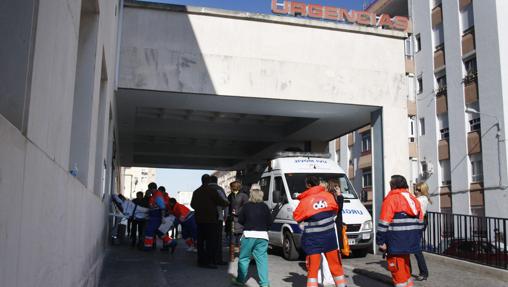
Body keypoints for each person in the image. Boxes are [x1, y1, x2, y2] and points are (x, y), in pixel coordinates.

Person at [293, 176, 347, 287]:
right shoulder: (328, 196)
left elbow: (296, 217)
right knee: (336, 267)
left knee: (313, 270)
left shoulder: (305, 201)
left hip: (313, 241)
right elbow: (335, 210)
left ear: (308, 185)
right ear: (318, 183)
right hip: (330, 239)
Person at [376, 175, 424, 287]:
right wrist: (416, 238)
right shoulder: (413, 199)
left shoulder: (391, 199)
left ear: (393, 185)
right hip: (411, 241)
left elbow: (384, 222)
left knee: (398, 274)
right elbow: (420, 222)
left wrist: (380, 241)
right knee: (406, 271)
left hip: (395, 243)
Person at [232, 184, 272, 287]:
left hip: (249, 235)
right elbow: (270, 222)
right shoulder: (265, 206)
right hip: (263, 236)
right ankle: (264, 283)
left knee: (244, 258)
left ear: (251, 194)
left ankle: (240, 280)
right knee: (262, 260)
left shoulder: (246, 206)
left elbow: (240, 220)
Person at [191, 174, 229, 268]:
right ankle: (209, 262)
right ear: (208, 181)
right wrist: (227, 202)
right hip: (211, 220)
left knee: (200, 241)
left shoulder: (196, 192)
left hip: (199, 220)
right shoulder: (212, 191)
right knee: (210, 242)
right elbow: (222, 202)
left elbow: (192, 205)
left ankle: (200, 261)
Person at [143, 182, 175, 252]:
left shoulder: (157, 196)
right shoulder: (154, 195)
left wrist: (163, 217)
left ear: (152, 189)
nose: (149, 191)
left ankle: (148, 247)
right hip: (154, 216)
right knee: (159, 232)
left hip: (156, 217)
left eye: (150, 189)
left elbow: (162, 207)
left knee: (149, 230)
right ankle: (172, 243)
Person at [208, 175, 229, 265]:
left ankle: (208, 258)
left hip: (205, 219)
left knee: (208, 239)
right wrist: (226, 216)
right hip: (218, 218)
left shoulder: (204, 189)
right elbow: (226, 203)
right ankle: (217, 259)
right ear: (216, 181)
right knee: (217, 240)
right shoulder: (220, 189)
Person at [413, 182, 431, 281]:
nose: (415, 191)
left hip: (418, 224)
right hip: (419, 224)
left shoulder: (421, 199)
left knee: (416, 250)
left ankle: (424, 273)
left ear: (422, 190)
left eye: (418, 190)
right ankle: (423, 272)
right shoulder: (420, 199)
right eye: (415, 189)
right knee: (415, 249)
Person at [227, 181, 249, 257]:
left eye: (231, 186)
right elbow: (228, 207)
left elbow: (246, 207)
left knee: (240, 238)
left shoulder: (244, 196)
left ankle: (241, 254)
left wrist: (237, 212)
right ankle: (232, 255)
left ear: (236, 187)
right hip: (232, 220)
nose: (230, 188)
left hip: (241, 219)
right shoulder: (230, 196)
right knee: (232, 238)